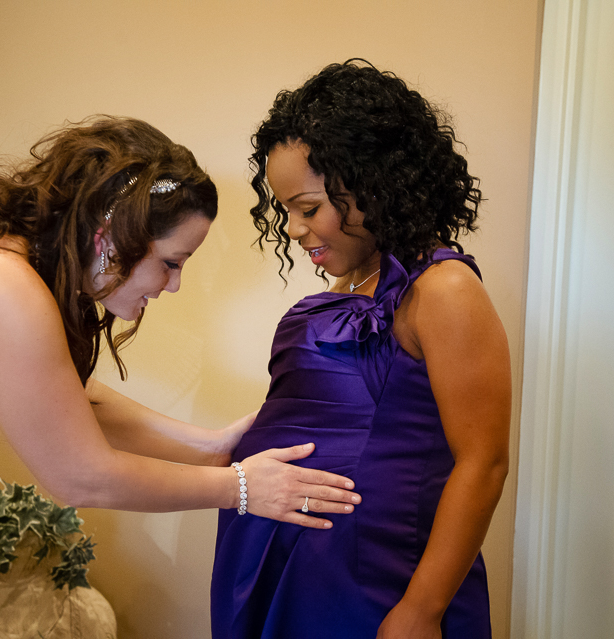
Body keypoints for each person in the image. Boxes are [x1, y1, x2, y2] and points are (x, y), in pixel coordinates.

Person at [0, 116, 360, 638]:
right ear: (109, 235)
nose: (171, 286)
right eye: (172, 262)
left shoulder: (3, 259)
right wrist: (241, 489)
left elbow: (71, 401)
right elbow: (78, 477)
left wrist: (210, 445)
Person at [211, 61, 512, 638]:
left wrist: (420, 611)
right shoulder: (352, 286)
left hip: (378, 582)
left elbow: (484, 463)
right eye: (286, 212)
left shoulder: (442, 290)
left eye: (308, 208)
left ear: (372, 185)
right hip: (295, 571)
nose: (295, 231)